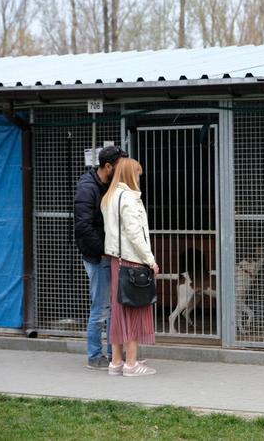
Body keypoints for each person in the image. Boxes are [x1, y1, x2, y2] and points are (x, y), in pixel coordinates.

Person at [101, 157, 159, 377]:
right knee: (134, 310)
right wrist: (150, 260)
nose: (139, 178)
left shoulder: (109, 197)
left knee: (118, 310)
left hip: (116, 260)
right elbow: (135, 234)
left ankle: (116, 362)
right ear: (129, 174)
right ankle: (132, 365)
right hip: (133, 260)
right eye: (137, 174)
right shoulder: (129, 199)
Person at [74, 145, 127, 370]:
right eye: (120, 167)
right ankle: (94, 356)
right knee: (101, 307)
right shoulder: (87, 188)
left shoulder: (112, 185)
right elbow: (83, 226)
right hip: (98, 256)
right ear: (107, 167)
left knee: (114, 306)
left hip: (111, 253)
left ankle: (113, 354)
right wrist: (104, 250)